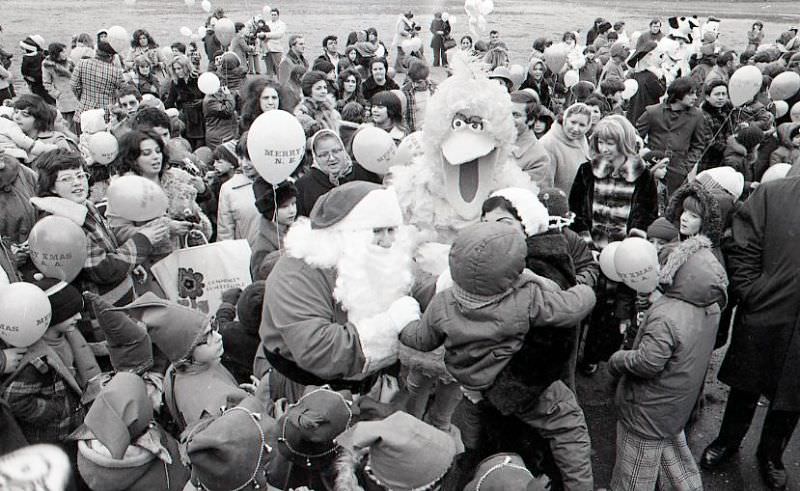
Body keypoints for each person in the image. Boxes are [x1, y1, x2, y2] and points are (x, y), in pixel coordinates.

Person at [400, 221, 596, 490]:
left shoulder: (443, 302)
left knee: (477, 438)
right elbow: (571, 308)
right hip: (518, 387)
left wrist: (404, 318)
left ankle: (476, 473)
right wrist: (585, 289)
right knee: (568, 427)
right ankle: (579, 487)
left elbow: (420, 339)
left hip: (472, 383)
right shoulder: (525, 299)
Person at [259, 181, 433, 402]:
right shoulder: (298, 272)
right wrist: (390, 324)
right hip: (309, 390)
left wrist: (449, 285)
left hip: (369, 383)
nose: (388, 241)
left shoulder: (381, 256)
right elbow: (318, 349)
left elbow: (418, 285)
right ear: (345, 232)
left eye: (392, 230)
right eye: (377, 230)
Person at [700, 176, 800, 490]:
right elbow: (741, 244)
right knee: (747, 383)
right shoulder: (773, 194)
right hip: (766, 309)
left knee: (793, 395)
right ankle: (728, 440)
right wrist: (751, 291)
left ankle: (771, 455)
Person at [609, 230, 727, 490]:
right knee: (674, 459)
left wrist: (618, 360)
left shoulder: (667, 315)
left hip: (647, 409)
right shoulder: (709, 307)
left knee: (635, 473)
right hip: (675, 407)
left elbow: (648, 363)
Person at [568, 116, 658, 373]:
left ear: (624, 142)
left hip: (622, 254)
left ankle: (592, 357)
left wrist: (630, 246)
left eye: (611, 143)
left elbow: (647, 212)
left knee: (611, 309)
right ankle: (572, 354)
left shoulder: (643, 176)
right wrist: (587, 245)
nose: (605, 148)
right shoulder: (587, 170)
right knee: (582, 299)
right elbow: (576, 210)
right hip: (590, 250)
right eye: (600, 142)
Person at [636, 77, 710, 197]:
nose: (695, 98)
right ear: (679, 93)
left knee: (673, 205)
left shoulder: (697, 115)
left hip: (678, 171)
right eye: (691, 94)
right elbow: (637, 139)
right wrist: (647, 157)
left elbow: (699, 144)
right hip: (653, 168)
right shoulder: (653, 112)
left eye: (696, 94)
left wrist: (685, 167)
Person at [294, 129, 355, 217]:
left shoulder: (361, 171)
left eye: (336, 151)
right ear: (315, 157)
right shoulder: (303, 185)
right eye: (324, 154)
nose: (331, 158)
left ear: (343, 150)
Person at [250, 178, 297, 283]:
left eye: (293, 204)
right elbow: (260, 282)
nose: (292, 210)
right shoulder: (262, 246)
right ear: (271, 211)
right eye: (284, 207)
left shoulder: (297, 231)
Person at [216, 132, 260, 243]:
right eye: (241, 157)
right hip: (245, 256)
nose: (244, 164)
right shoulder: (229, 189)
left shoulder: (279, 183)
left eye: (249, 158)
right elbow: (225, 232)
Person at [539, 102, 592, 194]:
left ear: (588, 127)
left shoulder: (582, 141)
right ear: (565, 120)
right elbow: (544, 187)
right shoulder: (548, 144)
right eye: (573, 122)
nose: (576, 129)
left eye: (582, 125)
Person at [71, 41, 125, 129]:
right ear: (111, 56)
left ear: (96, 52)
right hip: (105, 116)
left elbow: (74, 85)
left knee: (82, 140)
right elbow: (123, 91)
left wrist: (83, 97)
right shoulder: (116, 72)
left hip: (83, 113)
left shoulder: (82, 63)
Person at [509, 90, 552, 188]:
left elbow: (526, 198)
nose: (508, 118)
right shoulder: (490, 140)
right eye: (506, 113)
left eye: (515, 115)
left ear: (531, 120)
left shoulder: (539, 158)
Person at [164, 54, 205, 149]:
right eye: (175, 69)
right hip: (187, 118)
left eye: (179, 68)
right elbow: (170, 101)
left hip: (201, 117)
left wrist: (202, 102)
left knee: (201, 145)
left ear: (186, 67)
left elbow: (209, 96)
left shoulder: (199, 78)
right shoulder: (176, 83)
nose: (177, 71)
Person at [12, 94, 76, 151]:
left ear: (38, 119)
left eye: (25, 114)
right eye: (16, 112)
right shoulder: (11, 137)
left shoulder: (56, 140)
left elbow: (67, 161)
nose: (17, 117)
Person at [625, 37, 666, 125]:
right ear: (649, 56)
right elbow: (660, 91)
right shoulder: (650, 77)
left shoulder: (636, 75)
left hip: (635, 116)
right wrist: (661, 77)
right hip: (646, 118)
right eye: (658, 55)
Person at [42, 43, 79, 135]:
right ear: (56, 54)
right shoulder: (48, 65)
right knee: (68, 123)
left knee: (79, 121)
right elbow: (47, 83)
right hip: (64, 98)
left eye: (65, 51)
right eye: (62, 52)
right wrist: (57, 94)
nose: (65, 54)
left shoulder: (70, 62)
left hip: (76, 95)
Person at [698, 80, 733, 172]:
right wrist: (731, 149)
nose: (721, 98)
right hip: (709, 161)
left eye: (723, 94)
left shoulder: (727, 110)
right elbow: (709, 142)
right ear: (707, 97)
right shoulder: (702, 115)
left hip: (725, 159)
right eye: (717, 94)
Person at [400, 58, 435, 132]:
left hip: (432, 129)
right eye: (414, 82)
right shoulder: (405, 91)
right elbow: (403, 116)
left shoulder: (435, 88)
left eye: (419, 82)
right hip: (414, 131)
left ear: (426, 78)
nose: (416, 85)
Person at [202, 84, 237, 150]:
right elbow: (228, 111)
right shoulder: (209, 101)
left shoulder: (216, 96)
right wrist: (228, 95)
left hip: (225, 134)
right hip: (219, 138)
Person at [263, 7, 287, 79]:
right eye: (272, 15)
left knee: (278, 67)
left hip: (277, 48)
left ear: (278, 15)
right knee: (269, 68)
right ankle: (269, 83)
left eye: (275, 15)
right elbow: (261, 32)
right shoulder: (267, 23)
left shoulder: (282, 24)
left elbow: (278, 34)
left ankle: (280, 82)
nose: (273, 16)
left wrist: (266, 35)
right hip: (267, 48)